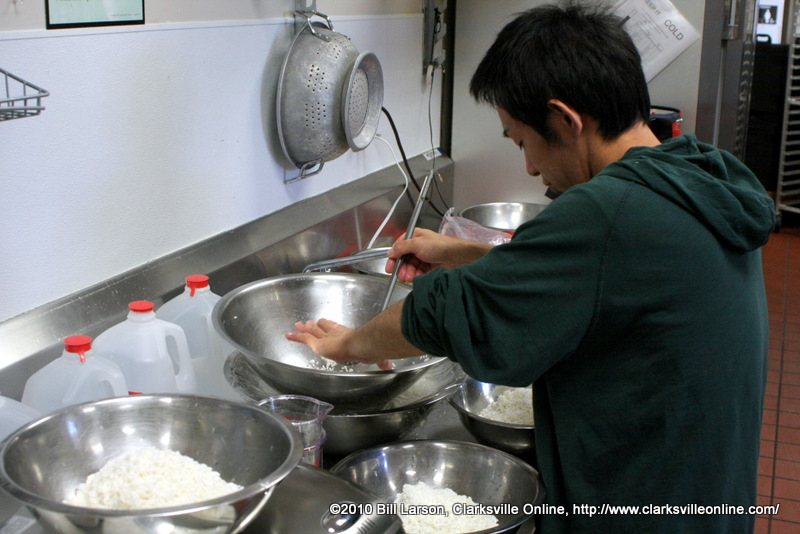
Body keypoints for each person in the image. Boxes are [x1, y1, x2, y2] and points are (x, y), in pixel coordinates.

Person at [287, 2, 776, 532]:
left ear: (566, 120)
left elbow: (442, 314)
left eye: (523, 142)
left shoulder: (608, 211)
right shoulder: (691, 174)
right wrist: (460, 252)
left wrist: (348, 345)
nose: (529, 167)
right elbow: (603, 279)